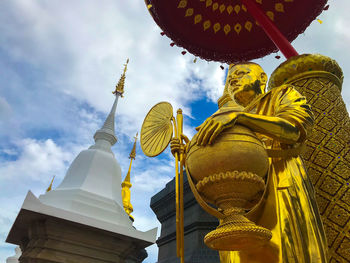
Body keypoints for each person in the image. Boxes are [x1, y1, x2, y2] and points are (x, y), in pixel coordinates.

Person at [172, 62, 328, 263]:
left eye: (241, 73)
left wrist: (240, 117)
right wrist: (188, 154)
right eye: (229, 80)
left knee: (286, 253)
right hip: (235, 204)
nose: (233, 80)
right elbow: (218, 160)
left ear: (262, 79)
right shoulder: (225, 118)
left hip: (278, 184)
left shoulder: (280, 95)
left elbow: (294, 129)